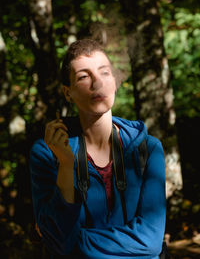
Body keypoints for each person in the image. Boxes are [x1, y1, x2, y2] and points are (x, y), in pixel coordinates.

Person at [30, 39, 166, 259]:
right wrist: (65, 166)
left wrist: (77, 241)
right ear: (67, 92)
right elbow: (59, 245)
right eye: (84, 76)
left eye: (104, 73)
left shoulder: (148, 149)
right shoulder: (47, 152)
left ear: (114, 81)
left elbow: (150, 241)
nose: (97, 83)